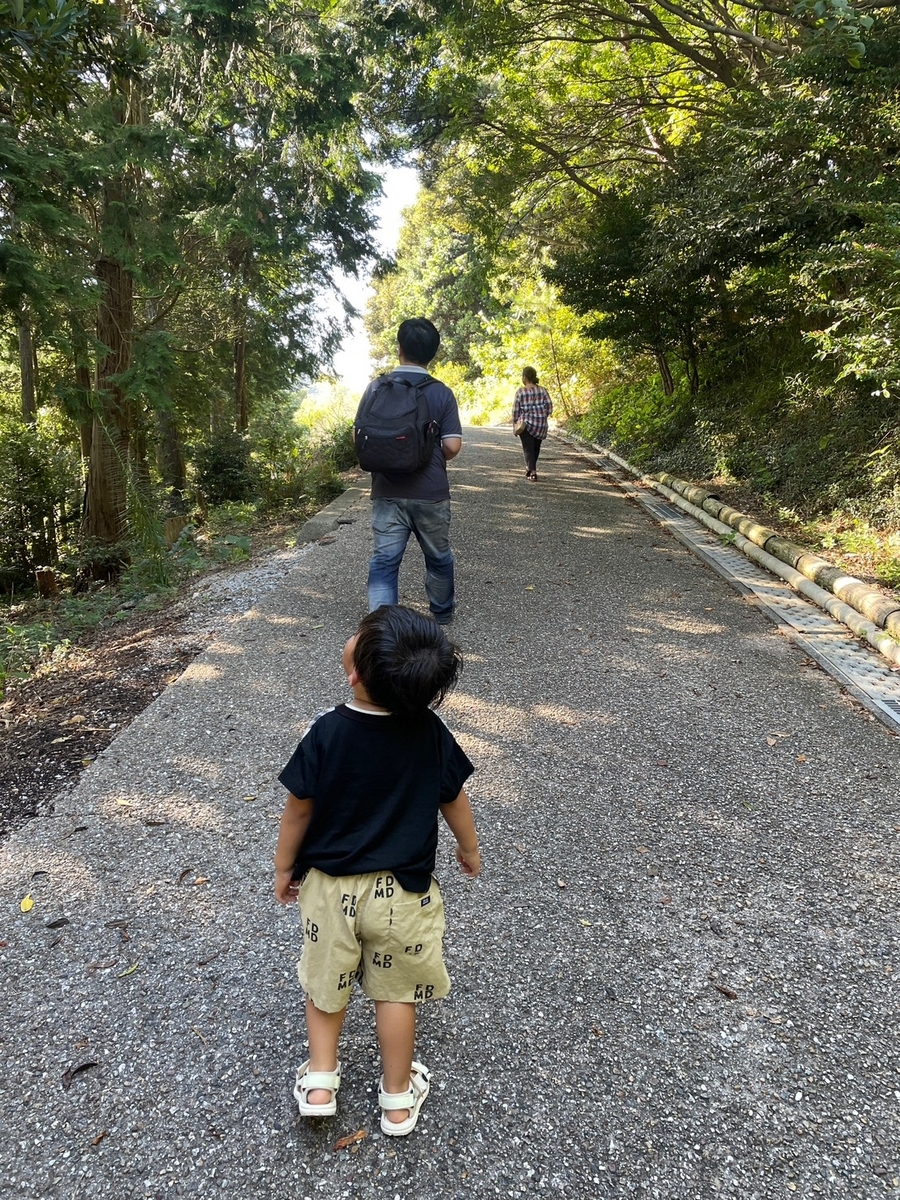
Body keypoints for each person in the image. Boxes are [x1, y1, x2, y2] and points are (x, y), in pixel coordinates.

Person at [274, 604, 481, 1137]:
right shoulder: (430, 731)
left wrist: (284, 867)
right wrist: (469, 848)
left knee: (326, 984)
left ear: (355, 672)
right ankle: (395, 1100)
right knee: (395, 993)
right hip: (402, 896)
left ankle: (320, 1083)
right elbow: (453, 798)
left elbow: (299, 807)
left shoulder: (326, 732)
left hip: (328, 891)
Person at [356, 318, 462, 625]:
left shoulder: (376, 387)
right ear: (433, 353)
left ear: (399, 349)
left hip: (387, 490)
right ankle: (441, 615)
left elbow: (358, 440)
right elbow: (453, 446)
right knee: (438, 557)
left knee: (385, 561)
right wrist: (426, 453)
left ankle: (382, 625)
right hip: (430, 493)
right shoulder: (441, 393)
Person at [512, 366, 553, 481]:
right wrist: (542, 415)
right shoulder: (543, 390)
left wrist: (515, 425)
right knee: (535, 448)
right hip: (540, 424)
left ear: (525, 377)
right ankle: (530, 468)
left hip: (526, 424)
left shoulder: (520, 392)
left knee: (527, 448)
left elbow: (516, 410)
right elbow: (549, 407)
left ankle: (532, 471)